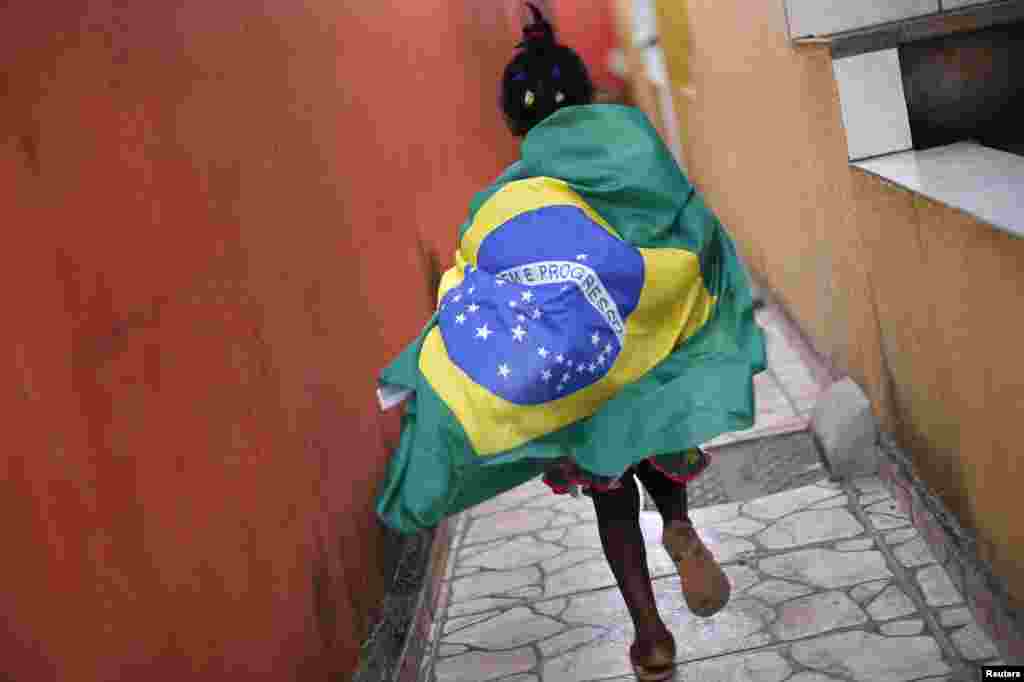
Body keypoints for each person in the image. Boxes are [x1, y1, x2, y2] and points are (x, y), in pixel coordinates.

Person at [375, 5, 765, 680]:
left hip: (584, 373)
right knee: (656, 441)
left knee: (612, 499)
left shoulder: (514, 191)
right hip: (649, 355)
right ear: (585, 98)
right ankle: (678, 523)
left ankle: (651, 638)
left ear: (514, 122)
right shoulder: (634, 155)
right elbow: (683, 218)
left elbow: (482, 272)